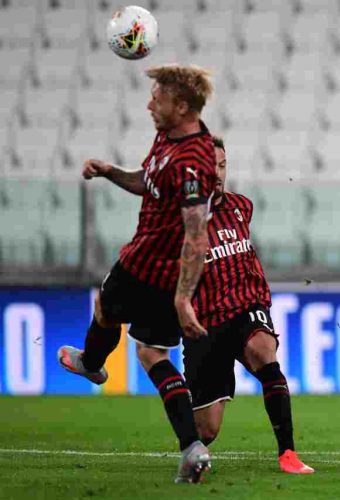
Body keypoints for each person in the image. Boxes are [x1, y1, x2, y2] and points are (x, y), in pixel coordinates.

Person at [57, 64, 216, 484]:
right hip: (163, 276)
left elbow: (197, 235)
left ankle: (92, 363)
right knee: (152, 354)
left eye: (158, 99)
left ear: (182, 107)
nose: (149, 105)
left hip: (143, 266)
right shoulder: (168, 138)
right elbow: (149, 182)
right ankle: (192, 448)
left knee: (104, 309)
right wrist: (110, 172)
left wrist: (184, 298)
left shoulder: (193, 162)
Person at [183, 136, 314, 474]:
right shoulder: (180, 220)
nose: (218, 173)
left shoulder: (241, 207)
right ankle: (189, 440)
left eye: (222, 165)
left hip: (246, 306)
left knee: (264, 351)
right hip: (205, 321)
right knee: (206, 430)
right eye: (210, 166)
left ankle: (288, 453)